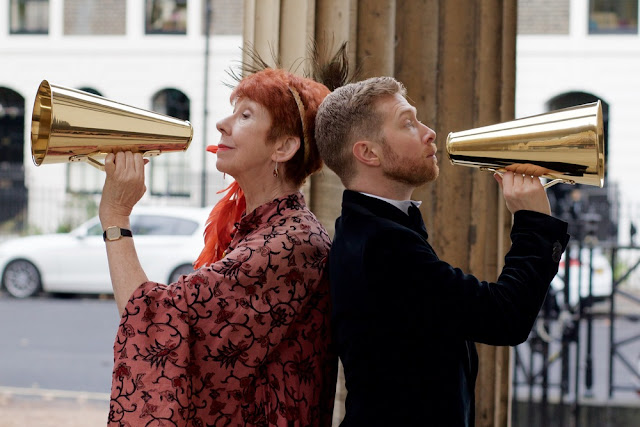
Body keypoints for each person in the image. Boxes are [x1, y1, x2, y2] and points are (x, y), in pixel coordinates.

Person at [314, 76, 570, 426]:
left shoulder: (371, 229)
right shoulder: (383, 244)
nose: (429, 132)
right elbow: (504, 318)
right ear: (368, 153)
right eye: (408, 123)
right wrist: (534, 223)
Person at [99, 68, 338, 426]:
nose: (222, 125)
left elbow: (154, 318)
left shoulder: (291, 242)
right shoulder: (273, 230)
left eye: (245, 115)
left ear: (284, 148)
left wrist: (115, 215)